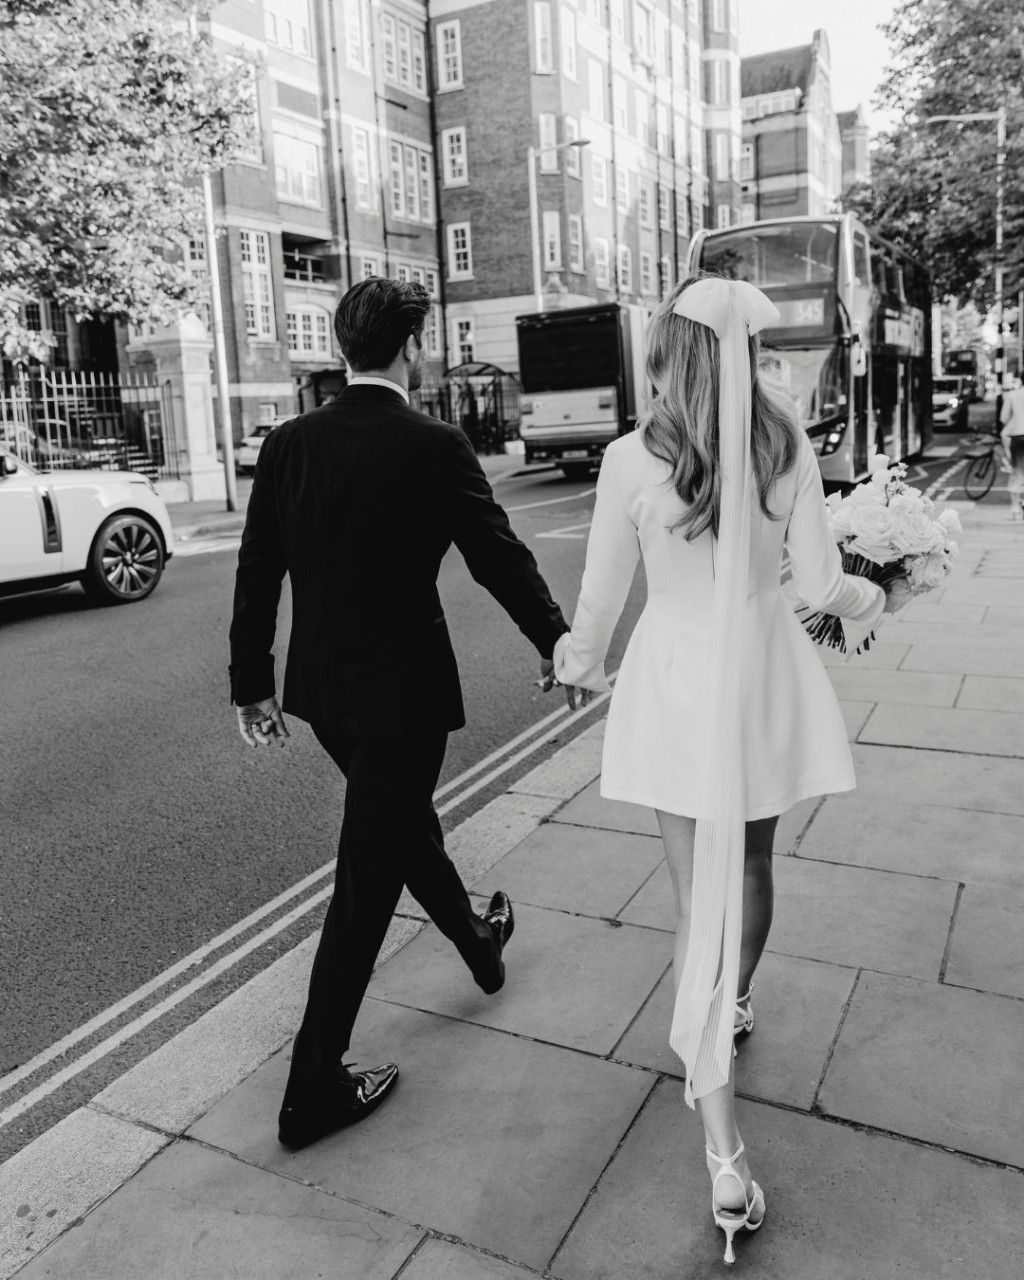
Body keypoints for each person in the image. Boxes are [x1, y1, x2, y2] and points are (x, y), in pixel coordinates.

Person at [548, 275, 903, 1265]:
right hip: (758, 680)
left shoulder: (630, 458)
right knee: (749, 866)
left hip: (674, 684)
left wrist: (576, 665)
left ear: (670, 355)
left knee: (690, 901)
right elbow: (822, 584)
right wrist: (878, 598)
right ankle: (733, 1000)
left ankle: (724, 1155)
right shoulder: (783, 443)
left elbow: (600, 601)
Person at [229, 277, 570, 1152]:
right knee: (366, 883)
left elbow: (258, 569)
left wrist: (250, 682)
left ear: (345, 348)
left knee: (398, 830)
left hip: (324, 696)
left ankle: (479, 942)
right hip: (404, 700)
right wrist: (553, 639)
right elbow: (497, 556)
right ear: (411, 346)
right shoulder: (434, 443)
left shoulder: (288, 444)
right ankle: (312, 1089)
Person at [999, 376, 1024, 519]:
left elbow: (1003, 417)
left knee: (1017, 472)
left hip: (1018, 437)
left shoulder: (1012, 395)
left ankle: (1015, 508)